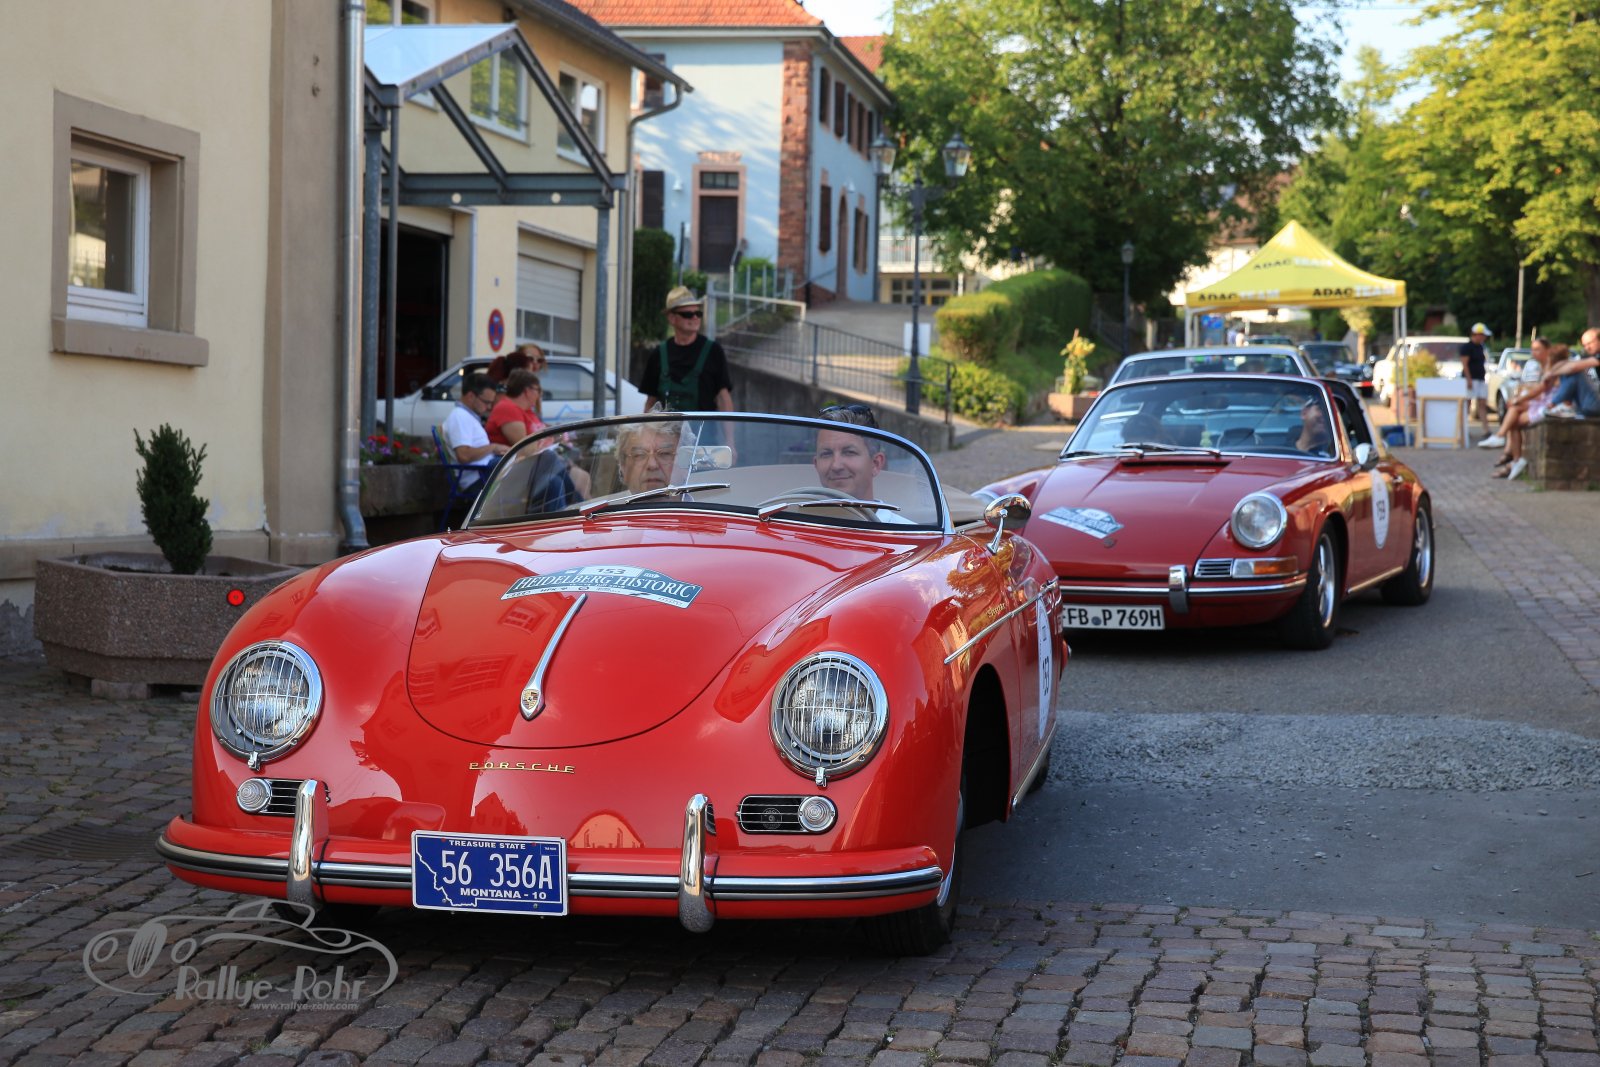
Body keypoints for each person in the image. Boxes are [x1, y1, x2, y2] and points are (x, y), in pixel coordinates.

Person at [641, 288, 734, 413]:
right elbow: (651, 402)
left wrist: (729, 427)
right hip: (667, 426)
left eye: (698, 313)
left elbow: (723, 398)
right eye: (688, 314)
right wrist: (646, 425)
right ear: (672, 318)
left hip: (704, 426)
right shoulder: (658, 355)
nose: (695, 317)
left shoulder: (713, 351)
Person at [1482, 338, 1560, 480]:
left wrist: (1519, 399)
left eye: (1537, 349)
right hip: (1541, 402)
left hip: (1548, 404)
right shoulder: (1540, 366)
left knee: (1515, 412)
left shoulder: (1552, 367)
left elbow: (1541, 389)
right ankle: (1511, 452)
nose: (1534, 353)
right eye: (1533, 349)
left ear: (1547, 350)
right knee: (1514, 414)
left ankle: (1505, 445)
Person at [443, 373, 510, 498]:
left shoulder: (467, 416)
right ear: (471, 396)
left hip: (485, 473)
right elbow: (463, 455)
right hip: (479, 478)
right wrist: (493, 447)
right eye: (486, 402)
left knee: (533, 467)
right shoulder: (459, 416)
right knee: (532, 470)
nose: (489, 407)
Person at [1539, 328, 1600, 419]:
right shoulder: (1588, 356)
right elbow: (1567, 364)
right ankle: (1563, 405)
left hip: (1595, 404)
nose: (1587, 347)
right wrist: (1551, 372)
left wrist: (1551, 374)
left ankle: (1554, 404)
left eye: (1590, 343)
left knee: (1576, 373)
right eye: (1584, 345)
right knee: (1571, 372)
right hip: (1592, 401)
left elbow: (1573, 367)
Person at [615, 422, 683, 494]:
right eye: (639, 454)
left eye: (665, 453)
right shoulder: (609, 501)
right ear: (623, 467)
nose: (652, 465)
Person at [486, 369, 546, 446]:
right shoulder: (507, 409)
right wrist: (548, 439)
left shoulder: (526, 410)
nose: (540, 394)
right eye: (538, 390)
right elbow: (523, 447)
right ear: (527, 391)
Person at [1459, 323, 1492, 434]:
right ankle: (1463, 430)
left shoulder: (1481, 347)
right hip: (1471, 379)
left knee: (1482, 403)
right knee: (1467, 404)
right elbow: (1465, 364)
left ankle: (1486, 429)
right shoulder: (1467, 347)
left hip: (1480, 378)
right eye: (1483, 335)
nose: (1484, 338)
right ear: (1477, 334)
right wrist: (1468, 379)